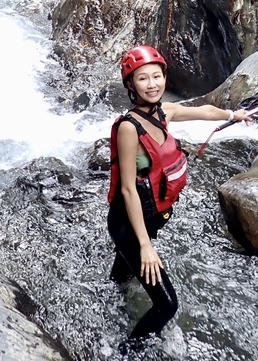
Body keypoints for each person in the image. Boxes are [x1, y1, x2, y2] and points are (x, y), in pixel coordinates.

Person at [107, 44, 250, 340]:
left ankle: (106, 304)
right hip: (128, 221)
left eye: (156, 76)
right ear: (131, 85)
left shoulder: (165, 112)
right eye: (142, 78)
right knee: (167, 304)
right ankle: (127, 354)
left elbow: (204, 111)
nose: (152, 84)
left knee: (122, 275)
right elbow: (128, 189)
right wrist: (146, 246)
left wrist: (232, 115)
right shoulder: (129, 128)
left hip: (151, 216)